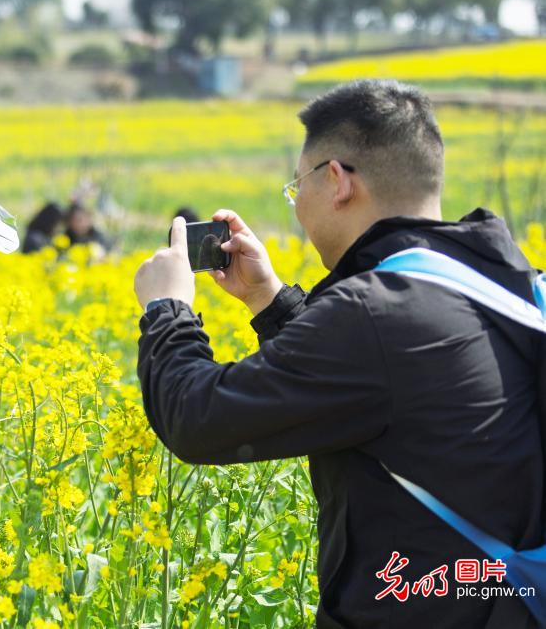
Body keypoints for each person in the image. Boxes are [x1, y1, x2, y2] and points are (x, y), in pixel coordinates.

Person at [133, 80, 542, 627]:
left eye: (295, 185)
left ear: (337, 181)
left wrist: (166, 309)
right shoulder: (517, 285)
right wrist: (268, 300)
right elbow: (380, 388)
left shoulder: (376, 312)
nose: (297, 205)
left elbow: (196, 418)